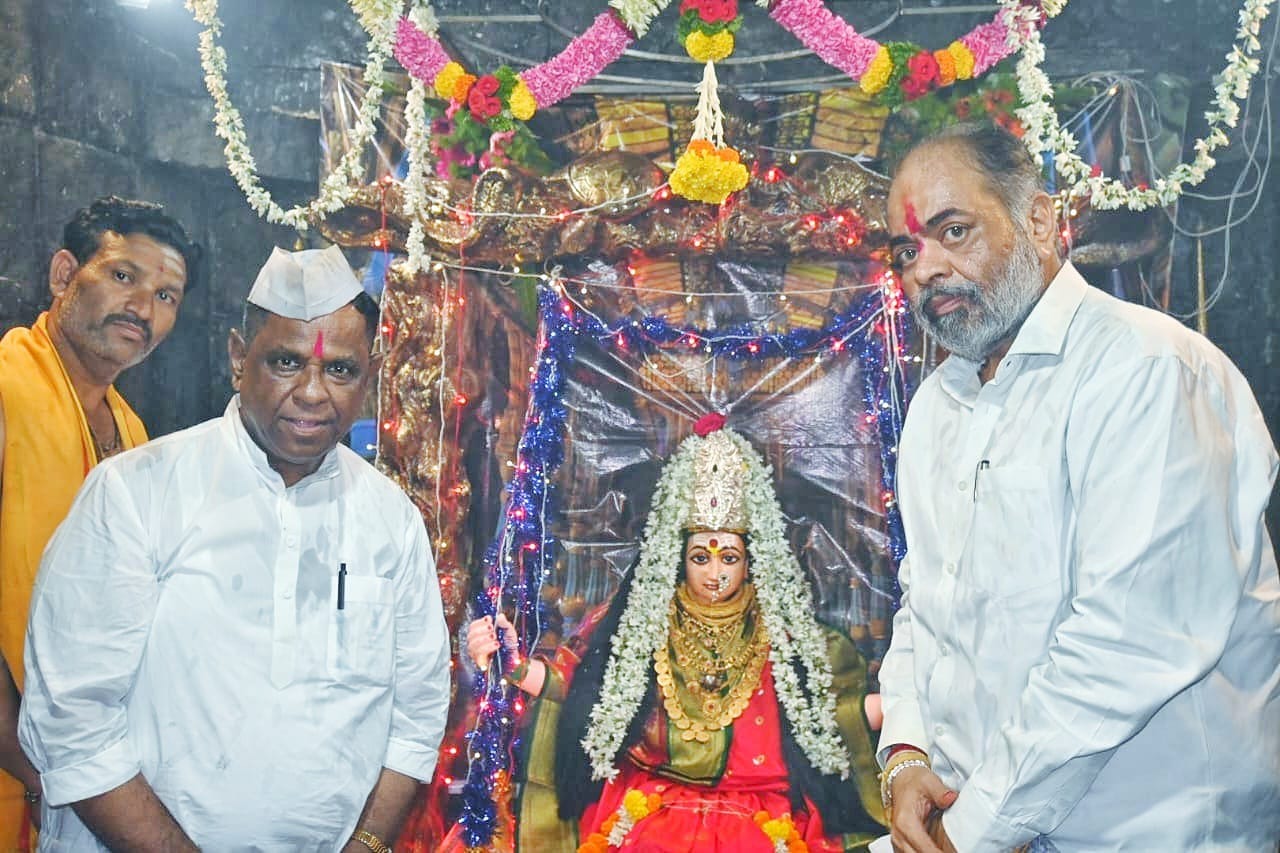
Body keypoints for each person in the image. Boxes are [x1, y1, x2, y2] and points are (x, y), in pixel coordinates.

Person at [877, 122, 1280, 852]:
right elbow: (924, 603)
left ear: (1038, 219)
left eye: (953, 231)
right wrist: (907, 756)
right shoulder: (938, 403)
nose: (925, 269)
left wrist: (966, 831)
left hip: (1153, 832)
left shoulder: (1147, 370)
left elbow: (1125, 642)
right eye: (907, 249)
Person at [18, 246, 452, 850]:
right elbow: (72, 722)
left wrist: (369, 845)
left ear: (370, 377)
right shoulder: (136, 494)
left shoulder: (393, 523)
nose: (311, 392)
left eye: (340, 370)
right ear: (237, 358)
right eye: (285, 361)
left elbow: (416, 715)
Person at [466, 418, 886, 852]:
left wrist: (908, 704)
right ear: (679, 557)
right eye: (701, 557)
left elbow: (833, 719)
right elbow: (579, 690)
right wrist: (512, 663)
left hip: (763, 815)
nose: (716, 574)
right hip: (649, 808)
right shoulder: (639, 620)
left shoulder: (787, 636)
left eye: (730, 558)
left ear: (751, 561)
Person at [0, 195, 199, 845]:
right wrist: (35, 764)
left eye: (167, 296)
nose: (144, 308)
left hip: (82, 768)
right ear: (63, 276)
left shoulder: (135, 433)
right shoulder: (7, 389)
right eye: (123, 276)